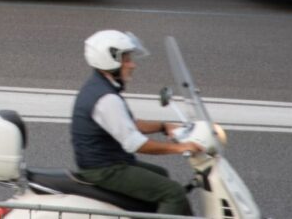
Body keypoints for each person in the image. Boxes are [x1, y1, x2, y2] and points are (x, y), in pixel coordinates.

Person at [72, 30, 203, 215]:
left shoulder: (100, 87)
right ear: (109, 60)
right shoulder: (106, 98)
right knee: (173, 193)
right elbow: (135, 143)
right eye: (126, 59)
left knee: (161, 174)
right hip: (105, 170)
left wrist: (163, 126)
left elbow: (131, 124)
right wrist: (179, 148)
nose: (132, 65)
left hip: (108, 163)